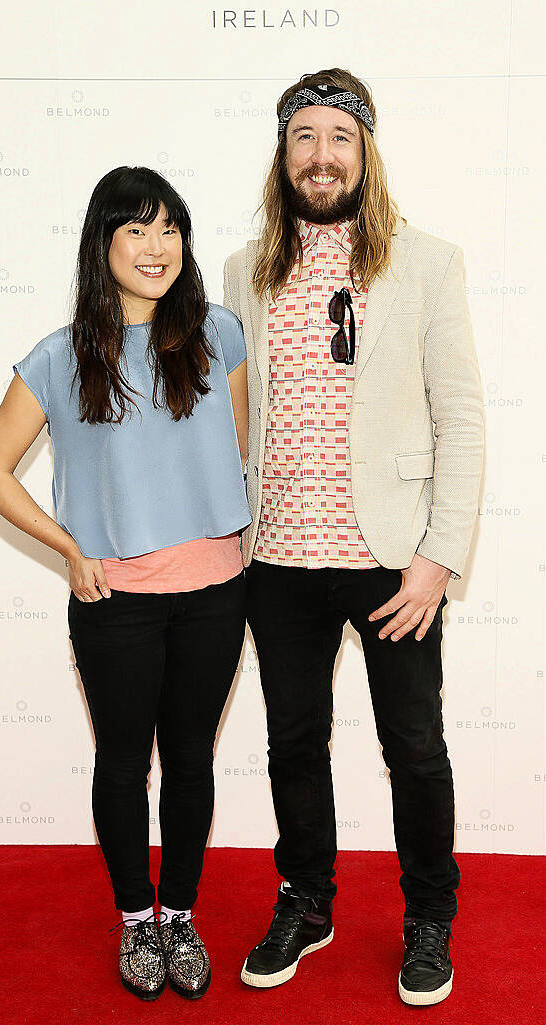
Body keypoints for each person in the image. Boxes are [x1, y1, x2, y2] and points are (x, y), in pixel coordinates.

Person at [223, 69, 484, 1006]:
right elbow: (234, 419)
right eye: (304, 138)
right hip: (279, 562)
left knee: (413, 745)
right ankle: (308, 900)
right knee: (292, 742)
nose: (321, 155)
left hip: (391, 562)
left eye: (340, 137)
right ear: (282, 153)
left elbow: (460, 417)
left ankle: (427, 917)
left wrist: (437, 557)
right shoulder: (243, 269)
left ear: (365, 151)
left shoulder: (425, 262)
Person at [0, 165, 251, 1002]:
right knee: (124, 764)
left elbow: (235, 449)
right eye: (135, 229)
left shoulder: (221, 333)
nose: (155, 246)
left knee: (192, 760)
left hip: (215, 593)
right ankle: (136, 919)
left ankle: (181, 916)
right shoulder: (60, 357)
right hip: (113, 603)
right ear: (102, 243)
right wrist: (68, 545)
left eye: (169, 228)